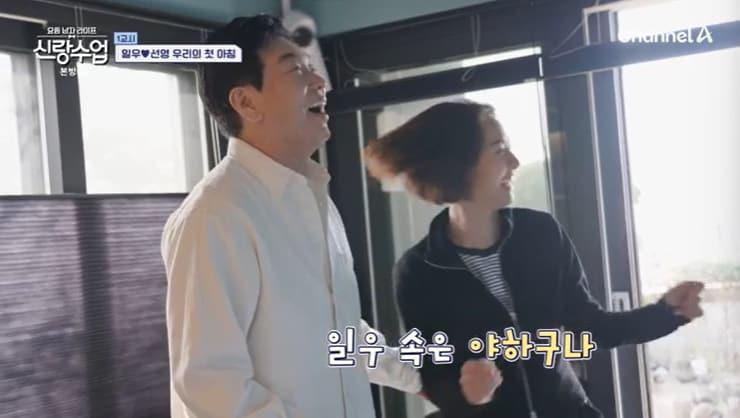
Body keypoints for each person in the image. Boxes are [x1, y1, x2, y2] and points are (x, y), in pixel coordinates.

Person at [160, 16, 496, 418]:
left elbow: (341, 332)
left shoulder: (315, 200)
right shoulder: (214, 216)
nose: (320, 82)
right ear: (247, 103)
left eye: (312, 67)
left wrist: (422, 379)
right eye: (296, 70)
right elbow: (212, 387)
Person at [364, 100, 704, 418]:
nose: (514, 162)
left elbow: (594, 327)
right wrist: (470, 395)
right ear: (458, 165)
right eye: (499, 149)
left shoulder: (541, 233)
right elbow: (433, 376)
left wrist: (666, 313)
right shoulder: (416, 272)